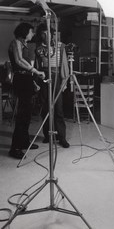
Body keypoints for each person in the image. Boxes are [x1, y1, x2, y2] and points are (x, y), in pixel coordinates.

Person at [8, 22, 45, 159]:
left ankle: (24, 142)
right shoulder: (16, 42)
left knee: (27, 114)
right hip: (21, 81)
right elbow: (19, 61)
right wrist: (35, 71)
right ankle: (15, 148)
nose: (33, 33)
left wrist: (33, 81)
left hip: (26, 80)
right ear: (25, 32)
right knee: (22, 115)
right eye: (31, 31)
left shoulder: (23, 44)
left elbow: (26, 65)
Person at [35, 23, 70, 148]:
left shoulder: (61, 46)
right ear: (41, 35)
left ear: (52, 34)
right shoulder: (39, 49)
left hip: (57, 78)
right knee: (45, 108)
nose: (46, 35)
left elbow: (65, 65)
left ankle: (62, 137)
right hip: (44, 77)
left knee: (59, 109)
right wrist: (37, 82)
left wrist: (65, 81)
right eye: (43, 33)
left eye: (48, 33)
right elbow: (37, 66)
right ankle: (47, 135)